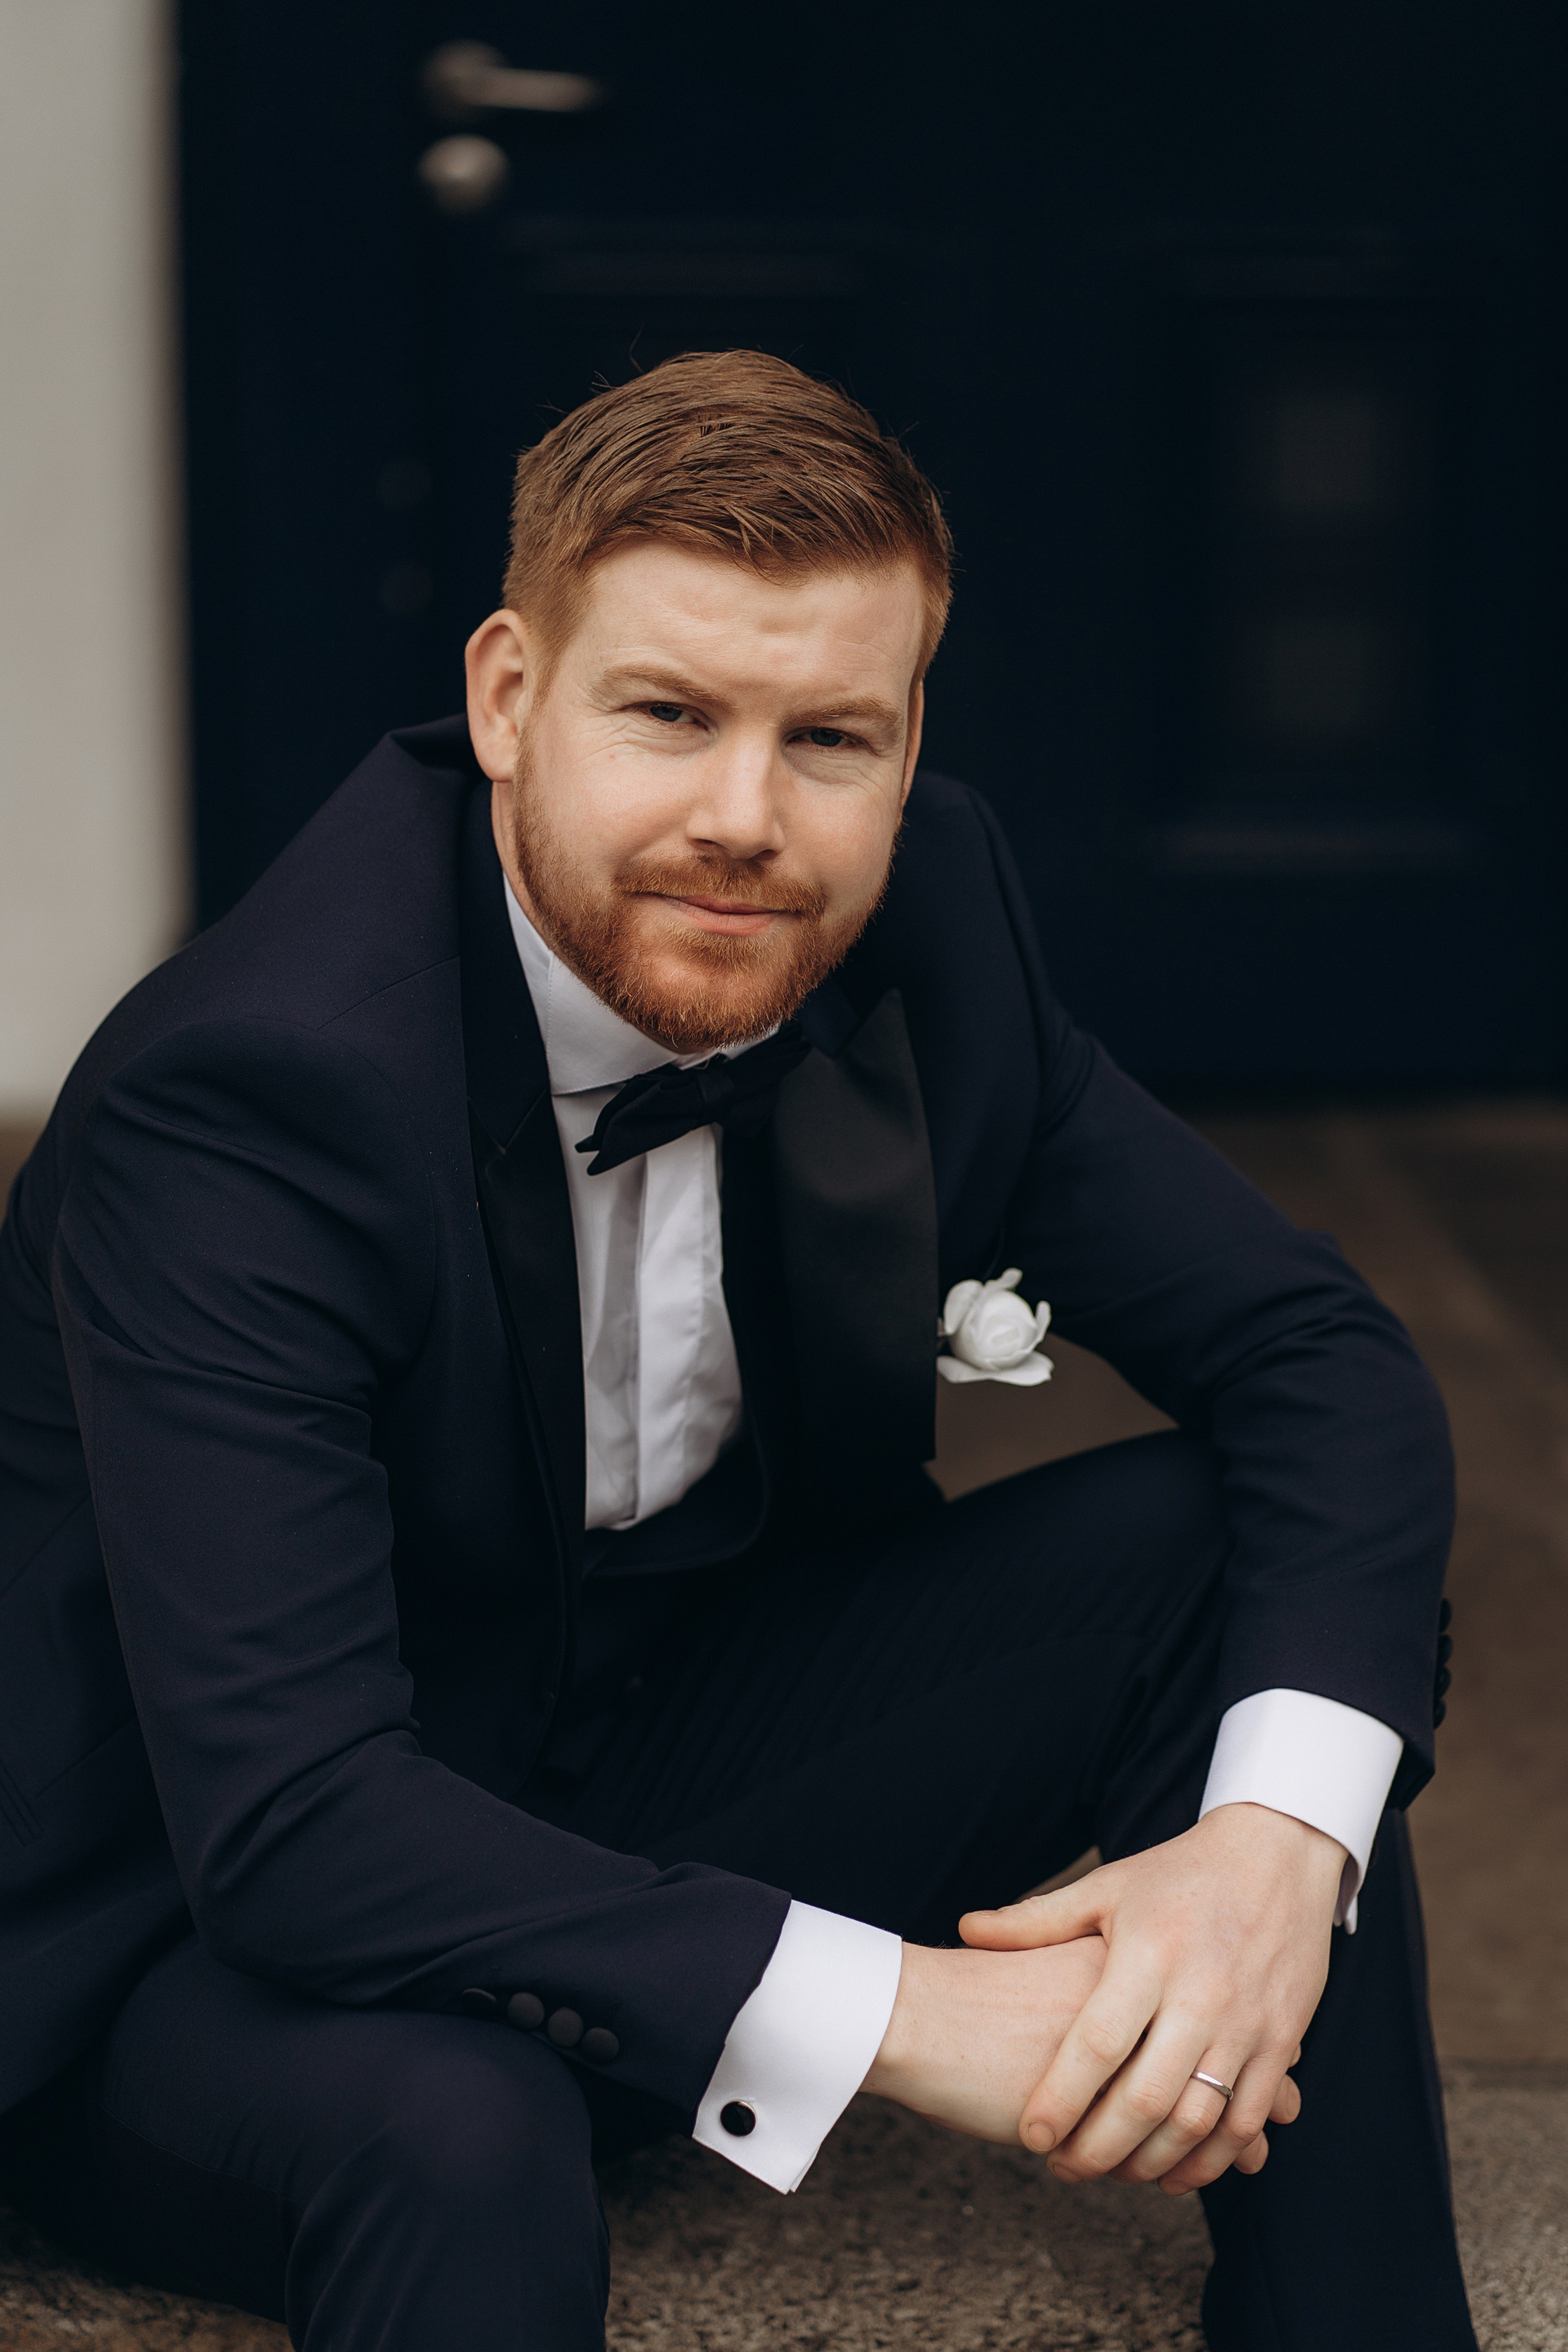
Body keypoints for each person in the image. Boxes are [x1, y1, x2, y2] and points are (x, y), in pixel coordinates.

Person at [0, 350, 1472, 2351]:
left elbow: (1317, 1357)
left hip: (636, 1778)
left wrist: (1270, 1858)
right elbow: (294, 1825)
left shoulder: (927, 917)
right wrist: (916, 2017)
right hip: (181, 1932)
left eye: (830, 738)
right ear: (508, 698)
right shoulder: (253, 1097)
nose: (745, 821)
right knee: (461, 2127)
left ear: (909, 737)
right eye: (670, 715)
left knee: (1227, 1559)